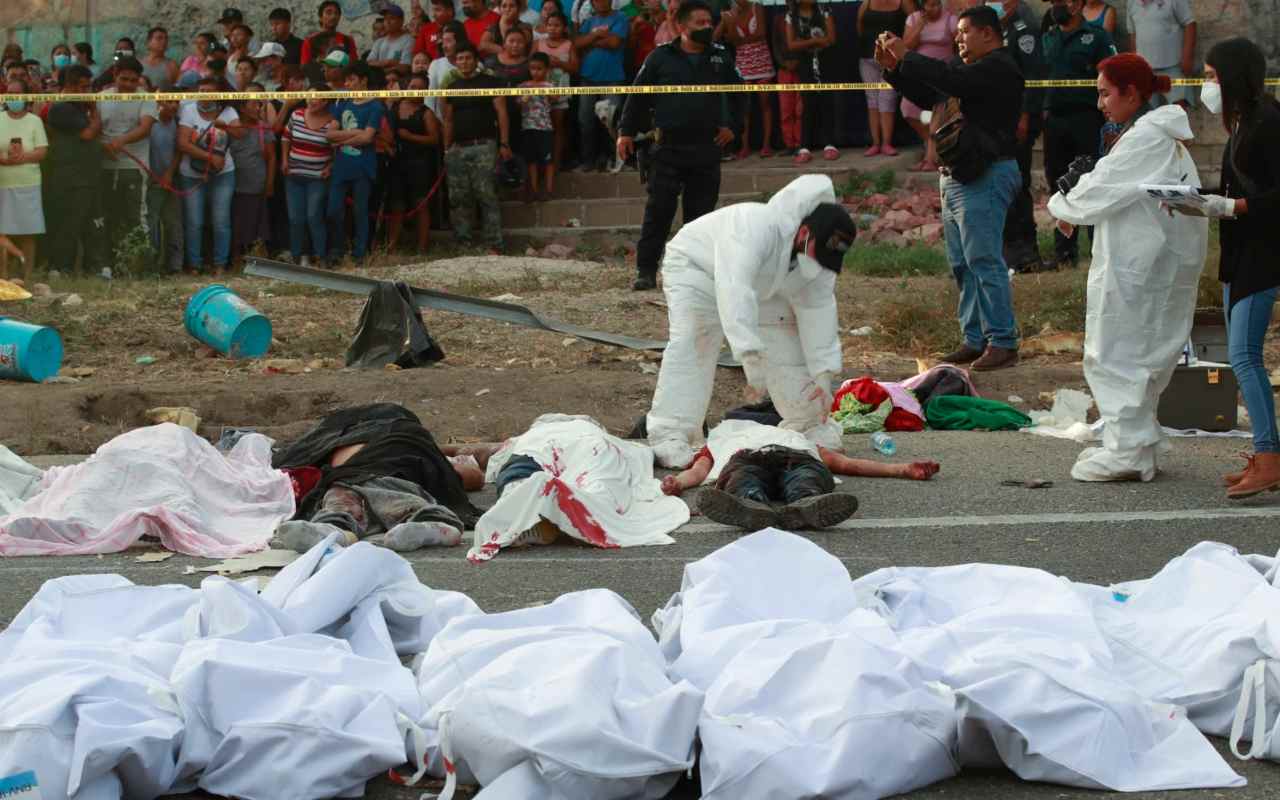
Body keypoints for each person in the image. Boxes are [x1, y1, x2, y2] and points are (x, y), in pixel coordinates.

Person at [1047, 54, 1206, 484]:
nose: (1100, 103)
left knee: (1116, 352)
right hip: (1144, 262)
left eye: (1104, 93)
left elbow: (1100, 191)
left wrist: (1061, 202)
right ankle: (1138, 441)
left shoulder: (1147, 137)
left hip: (1138, 266)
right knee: (1135, 353)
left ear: (1130, 94)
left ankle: (1127, 451)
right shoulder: (1148, 135)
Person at [643, 175, 855, 468]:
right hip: (697, 267)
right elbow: (734, 287)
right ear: (804, 232)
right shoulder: (753, 225)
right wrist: (749, 354)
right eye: (819, 253)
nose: (820, 263)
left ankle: (807, 422)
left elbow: (818, 310)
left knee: (786, 336)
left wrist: (824, 371)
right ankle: (671, 432)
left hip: (763, 283)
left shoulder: (817, 261)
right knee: (696, 339)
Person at [878, 5, 1024, 371]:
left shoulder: (998, 68)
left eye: (963, 32)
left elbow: (950, 81)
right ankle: (975, 339)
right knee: (962, 264)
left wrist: (907, 54)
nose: (957, 39)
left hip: (986, 174)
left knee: (984, 261)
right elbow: (934, 96)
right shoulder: (969, 73)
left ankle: (1003, 341)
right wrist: (894, 69)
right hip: (960, 174)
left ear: (988, 33)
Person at [1173, 38, 1280, 497]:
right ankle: (1266, 454)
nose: (1207, 85)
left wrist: (1232, 206)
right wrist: (1196, 205)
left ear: (1233, 77)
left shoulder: (1268, 123)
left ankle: (1269, 457)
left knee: (1244, 356)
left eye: (1213, 76)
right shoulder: (1242, 123)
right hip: (1241, 254)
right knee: (1243, 356)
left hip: (1264, 254)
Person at [618, 0, 739, 292]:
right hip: (667, 150)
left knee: (700, 219)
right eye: (700, 23)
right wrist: (625, 133)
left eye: (709, 23)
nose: (707, 27)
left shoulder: (721, 58)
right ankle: (646, 271)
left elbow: (740, 94)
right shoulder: (660, 57)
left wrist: (732, 126)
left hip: (706, 149)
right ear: (682, 27)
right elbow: (638, 97)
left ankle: (694, 277)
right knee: (658, 213)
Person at [472, 414, 689, 560]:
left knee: (517, 476)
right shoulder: (611, 439)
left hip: (537, 449)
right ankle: (559, 513)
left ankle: (523, 514)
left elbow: (479, 457)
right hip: (593, 448)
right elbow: (673, 454)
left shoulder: (522, 438)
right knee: (601, 489)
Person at [271, 404, 480, 553]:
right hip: (355, 476)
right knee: (343, 493)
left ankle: (433, 522)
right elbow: (468, 477)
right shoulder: (423, 448)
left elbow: (287, 462)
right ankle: (334, 528)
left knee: (376, 488)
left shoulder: (396, 435)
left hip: (386, 469)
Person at [660, 419, 939, 530]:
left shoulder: (796, 437)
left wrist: (902, 468)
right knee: (743, 478)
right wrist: (677, 483)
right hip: (747, 459)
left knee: (805, 478)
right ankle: (751, 505)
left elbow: (843, 463)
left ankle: (804, 504)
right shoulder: (721, 439)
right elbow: (698, 471)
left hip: (795, 457)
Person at [1042, 0, 1116, 270]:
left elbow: (1111, 75)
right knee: (1059, 184)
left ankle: (1098, 248)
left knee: (1092, 181)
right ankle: (1064, 253)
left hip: (1087, 119)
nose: (1056, 5)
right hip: (1055, 120)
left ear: (1076, 5)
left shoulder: (1096, 37)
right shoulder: (1048, 37)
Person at [442, 42, 512, 250]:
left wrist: (504, 143)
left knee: (487, 195)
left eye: (468, 58)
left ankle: (494, 244)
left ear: (476, 61)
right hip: (457, 149)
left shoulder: (491, 82)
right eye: (460, 59)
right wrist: (446, 148)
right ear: (455, 62)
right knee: (458, 197)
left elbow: (502, 114)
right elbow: (447, 120)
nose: (464, 62)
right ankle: (464, 243)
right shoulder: (450, 88)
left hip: (484, 146)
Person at [95, 56, 157, 279]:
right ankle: (108, 267)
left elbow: (145, 127)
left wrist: (121, 141)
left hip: (133, 167)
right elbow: (95, 129)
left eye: (133, 80)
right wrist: (104, 146)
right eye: (124, 79)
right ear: (114, 75)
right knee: (107, 218)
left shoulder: (145, 98)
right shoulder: (101, 98)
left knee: (136, 218)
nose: (129, 84)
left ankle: (141, 267)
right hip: (105, 167)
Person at [998, 0, 1048, 274]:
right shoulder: (989, 28)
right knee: (1000, 185)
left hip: (1018, 122)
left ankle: (1026, 251)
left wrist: (1026, 115)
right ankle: (1005, 249)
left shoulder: (1024, 30)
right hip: (996, 123)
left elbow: (1033, 77)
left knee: (1018, 184)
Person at [177, 76, 241, 276]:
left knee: (221, 221)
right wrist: (210, 157)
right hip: (191, 173)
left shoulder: (228, 112)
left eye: (209, 91)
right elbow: (182, 143)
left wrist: (226, 126)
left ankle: (220, 264)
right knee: (194, 222)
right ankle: (194, 265)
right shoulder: (188, 110)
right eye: (201, 90)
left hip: (224, 174)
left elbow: (240, 133)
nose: (204, 95)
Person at [325, 61, 386, 264]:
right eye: (346, 80)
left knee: (361, 210)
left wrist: (341, 141)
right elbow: (329, 133)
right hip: (341, 167)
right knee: (333, 209)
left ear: (363, 80)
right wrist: (354, 133)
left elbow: (368, 138)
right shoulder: (343, 103)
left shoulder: (376, 105)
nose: (348, 84)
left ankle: (360, 253)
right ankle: (338, 248)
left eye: (352, 80)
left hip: (363, 166)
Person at [43, 65, 100, 278]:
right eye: (85, 87)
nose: (88, 91)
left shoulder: (77, 107)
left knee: (80, 222)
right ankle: (60, 267)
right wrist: (94, 111)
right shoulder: (62, 108)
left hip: (83, 176)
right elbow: (88, 134)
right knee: (67, 223)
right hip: (68, 177)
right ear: (71, 86)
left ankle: (77, 267)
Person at [387, 73, 441, 252]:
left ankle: (422, 247)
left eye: (420, 88)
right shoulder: (394, 107)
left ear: (425, 92)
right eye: (412, 87)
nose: (415, 91)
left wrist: (411, 137)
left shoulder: (426, 113)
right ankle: (392, 245)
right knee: (396, 204)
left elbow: (434, 139)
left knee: (420, 204)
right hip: (396, 161)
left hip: (419, 162)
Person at [0, 82, 47, 285]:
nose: (14, 97)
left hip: (28, 182)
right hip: (3, 183)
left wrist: (23, 157)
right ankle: (4, 277)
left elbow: (42, 150)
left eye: (18, 94)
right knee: (3, 232)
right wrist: (3, 159)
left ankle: (27, 275)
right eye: (10, 94)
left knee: (28, 232)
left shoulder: (35, 121)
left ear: (26, 97)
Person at [282, 91, 337, 266]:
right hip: (293, 175)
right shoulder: (296, 115)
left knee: (314, 217)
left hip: (317, 178)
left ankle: (321, 257)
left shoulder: (333, 122)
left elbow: (338, 148)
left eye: (317, 97)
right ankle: (296, 257)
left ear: (326, 101)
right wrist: (284, 160)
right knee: (295, 219)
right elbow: (285, 138)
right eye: (310, 96)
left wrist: (330, 167)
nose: (312, 100)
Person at [900, 0, 955, 172]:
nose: (934, 8)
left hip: (942, 75)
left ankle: (930, 159)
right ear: (922, 6)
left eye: (937, 4)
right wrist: (920, 26)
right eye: (930, 5)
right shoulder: (913, 19)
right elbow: (905, 46)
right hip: (919, 75)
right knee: (907, 109)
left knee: (936, 117)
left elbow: (959, 43)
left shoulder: (950, 19)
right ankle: (933, 148)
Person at [575, 0, 629, 172]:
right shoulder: (589, 21)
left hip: (613, 78)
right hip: (588, 77)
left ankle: (616, 160)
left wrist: (591, 40)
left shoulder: (621, 18)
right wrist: (599, 35)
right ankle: (588, 161)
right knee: (586, 121)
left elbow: (615, 43)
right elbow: (577, 44)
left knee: (612, 121)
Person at [228, 86, 277, 266]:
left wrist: (270, 183)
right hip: (232, 185)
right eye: (254, 104)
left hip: (257, 183)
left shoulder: (263, 128)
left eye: (259, 104)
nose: (258, 108)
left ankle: (256, 260)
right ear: (242, 108)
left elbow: (272, 157)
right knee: (235, 223)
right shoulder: (231, 127)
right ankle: (234, 260)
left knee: (257, 223)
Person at [720, 0, 774, 159]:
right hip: (743, 65)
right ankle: (744, 146)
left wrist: (741, 40)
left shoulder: (757, 7)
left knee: (765, 103)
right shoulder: (731, 13)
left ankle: (766, 145)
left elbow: (762, 33)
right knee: (744, 107)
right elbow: (730, 39)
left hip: (762, 61)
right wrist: (732, 22)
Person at [785, 0, 837, 164]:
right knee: (807, 103)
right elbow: (791, 44)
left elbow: (831, 39)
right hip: (806, 64)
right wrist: (814, 41)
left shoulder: (824, 10)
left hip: (827, 61)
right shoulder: (791, 16)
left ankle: (830, 145)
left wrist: (806, 42)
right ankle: (805, 147)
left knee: (827, 101)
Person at [858, 0, 907, 158]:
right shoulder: (867, 3)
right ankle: (876, 144)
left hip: (891, 60)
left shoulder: (903, 3)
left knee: (887, 99)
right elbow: (859, 26)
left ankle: (886, 143)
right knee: (872, 100)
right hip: (867, 59)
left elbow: (912, 24)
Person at [1126, 0, 1194, 108]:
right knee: (1148, 112)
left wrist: (1187, 56)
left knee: (1179, 109)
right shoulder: (1131, 3)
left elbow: (1189, 24)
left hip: (1173, 65)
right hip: (1144, 69)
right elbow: (1132, 33)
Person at [534, 11, 578, 167]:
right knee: (541, 128)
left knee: (558, 127)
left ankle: (556, 162)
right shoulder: (538, 44)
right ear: (545, 26)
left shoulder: (569, 45)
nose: (553, 28)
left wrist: (559, 63)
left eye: (557, 25)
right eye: (550, 25)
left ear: (564, 28)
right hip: (539, 94)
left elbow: (574, 68)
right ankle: (541, 163)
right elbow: (530, 65)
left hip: (560, 93)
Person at [147, 99, 184, 274]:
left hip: (172, 180)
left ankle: (175, 266)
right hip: (151, 180)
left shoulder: (178, 123)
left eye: (177, 102)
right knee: (152, 222)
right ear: (160, 101)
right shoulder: (150, 123)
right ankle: (152, 265)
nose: (174, 105)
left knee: (173, 223)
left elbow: (179, 151)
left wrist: (169, 174)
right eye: (169, 101)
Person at [519, 53, 556, 200]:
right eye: (532, 68)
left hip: (545, 127)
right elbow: (519, 103)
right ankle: (534, 190)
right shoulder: (523, 86)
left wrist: (546, 91)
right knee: (531, 161)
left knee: (548, 160)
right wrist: (525, 97)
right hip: (528, 127)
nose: (535, 72)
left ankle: (549, 190)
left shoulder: (549, 85)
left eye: (539, 69)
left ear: (547, 70)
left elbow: (555, 98)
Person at [369, 4, 416, 68]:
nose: (387, 22)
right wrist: (388, 62)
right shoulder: (379, 42)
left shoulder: (409, 41)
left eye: (392, 18)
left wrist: (379, 65)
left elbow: (405, 67)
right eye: (385, 19)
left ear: (401, 21)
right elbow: (369, 63)